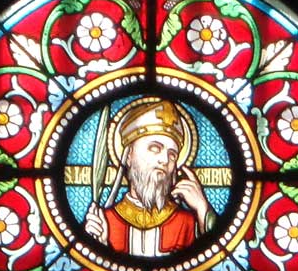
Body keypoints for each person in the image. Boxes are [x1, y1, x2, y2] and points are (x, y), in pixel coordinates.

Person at [85, 98, 215, 256]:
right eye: (155, 148)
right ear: (129, 155)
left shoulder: (187, 223)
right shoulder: (103, 222)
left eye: (172, 155)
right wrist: (100, 246)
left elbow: (216, 257)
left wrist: (202, 209)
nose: (165, 160)